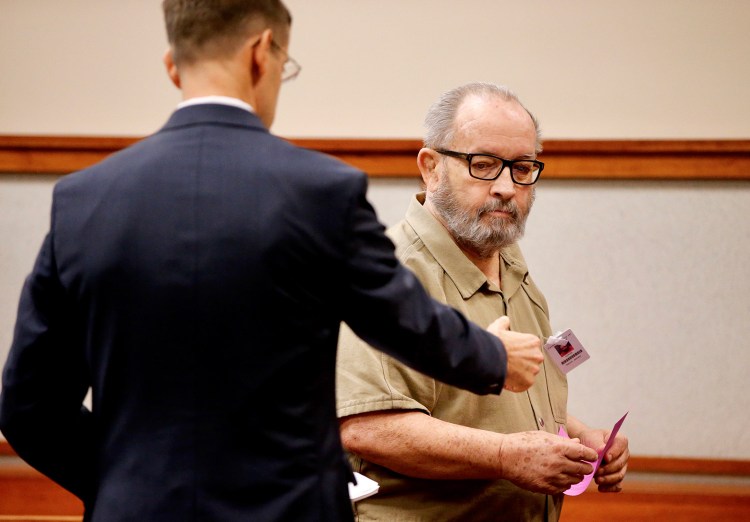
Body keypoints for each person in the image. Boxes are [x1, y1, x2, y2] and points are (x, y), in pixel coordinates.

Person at [0, 5, 550, 522]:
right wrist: (492, 356)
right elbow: (403, 320)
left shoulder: (83, 200)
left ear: (173, 68)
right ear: (263, 53)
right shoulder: (319, 192)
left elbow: (28, 406)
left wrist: (122, 481)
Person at [336, 83, 629, 522]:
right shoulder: (386, 274)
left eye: (523, 167)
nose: (507, 188)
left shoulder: (508, 262)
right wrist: (506, 456)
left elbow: (507, 399)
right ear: (430, 168)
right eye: (484, 165)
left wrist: (582, 436)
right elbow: (367, 427)